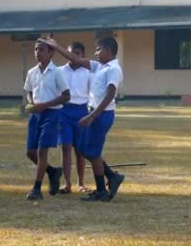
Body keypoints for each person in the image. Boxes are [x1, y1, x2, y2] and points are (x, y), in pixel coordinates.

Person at [38, 37, 125, 202]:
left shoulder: (113, 69)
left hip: (101, 114)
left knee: (91, 152)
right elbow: (76, 59)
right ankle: (112, 178)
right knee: (86, 149)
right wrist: (57, 46)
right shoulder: (100, 66)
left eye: (99, 49)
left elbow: (110, 94)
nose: (96, 53)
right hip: (95, 112)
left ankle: (102, 189)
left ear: (108, 51)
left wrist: (92, 116)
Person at [24, 40, 70, 201]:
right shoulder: (32, 72)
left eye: (41, 49)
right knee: (30, 152)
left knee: (42, 151)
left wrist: (46, 105)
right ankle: (52, 171)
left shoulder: (57, 72)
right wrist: (32, 103)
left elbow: (66, 96)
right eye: (35, 49)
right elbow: (29, 91)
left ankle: (36, 188)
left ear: (51, 53)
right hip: (36, 114)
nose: (37, 52)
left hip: (52, 114)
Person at [58, 42, 91, 194]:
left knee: (80, 149)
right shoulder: (59, 71)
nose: (73, 56)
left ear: (83, 55)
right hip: (64, 111)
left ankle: (81, 182)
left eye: (77, 53)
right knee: (66, 147)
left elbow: (93, 93)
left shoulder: (88, 72)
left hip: (82, 111)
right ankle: (67, 183)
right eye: (71, 53)